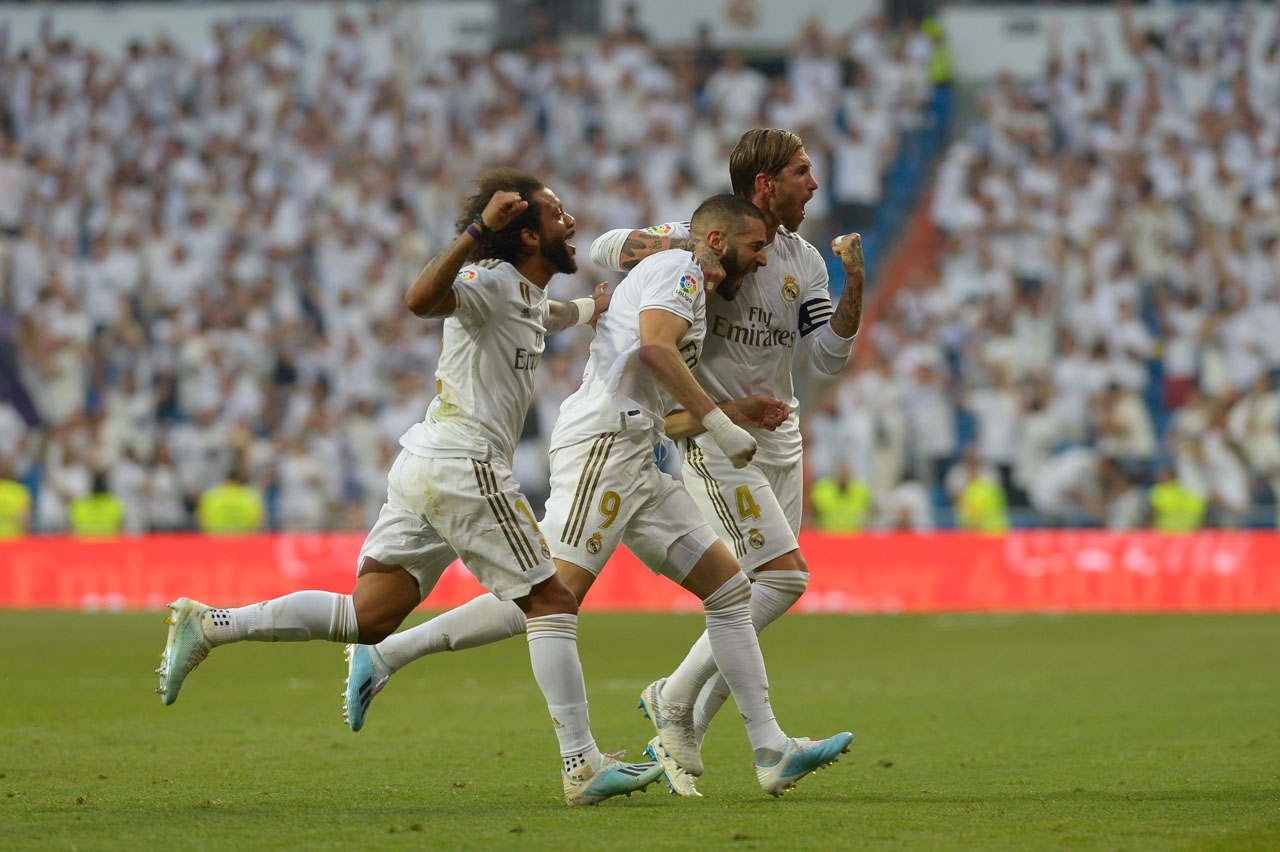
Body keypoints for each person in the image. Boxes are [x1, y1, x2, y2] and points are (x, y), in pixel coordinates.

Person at [156, 168, 665, 806]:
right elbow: (420, 300)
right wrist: (479, 231)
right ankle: (582, 764)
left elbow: (554, 313)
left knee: (367, 618)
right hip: (465, 461)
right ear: (527, 234)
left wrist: (600, 305)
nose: (572, 222)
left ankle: (210, 625)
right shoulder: (487, 281)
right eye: (558, 214)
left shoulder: (527, 296)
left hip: (423, 460)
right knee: (553, 603)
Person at [346, 193, 852, 799]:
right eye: (756, 248)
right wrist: (722, 425)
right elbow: (654, 351)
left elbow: (665, 411)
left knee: (730, 590)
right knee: (549, 598)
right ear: (717, 242)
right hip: (603, 446)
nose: (765, 261)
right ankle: (389, 656)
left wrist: (727, 412)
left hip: (638, 453)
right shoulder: (681, 270)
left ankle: (770, 749)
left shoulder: (690, 284)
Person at [195, 465, 266, 534]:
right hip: (244, 540)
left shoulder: (211, 495)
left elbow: (200, 519)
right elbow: (259, 521)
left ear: (225, 479)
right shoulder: (251, 497)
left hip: (215, 540)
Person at [68, 471, 126, 537]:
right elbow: (122, 526)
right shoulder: (115, 503)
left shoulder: (80, 504)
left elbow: (71, 528)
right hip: (109, 542)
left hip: (85, 543)